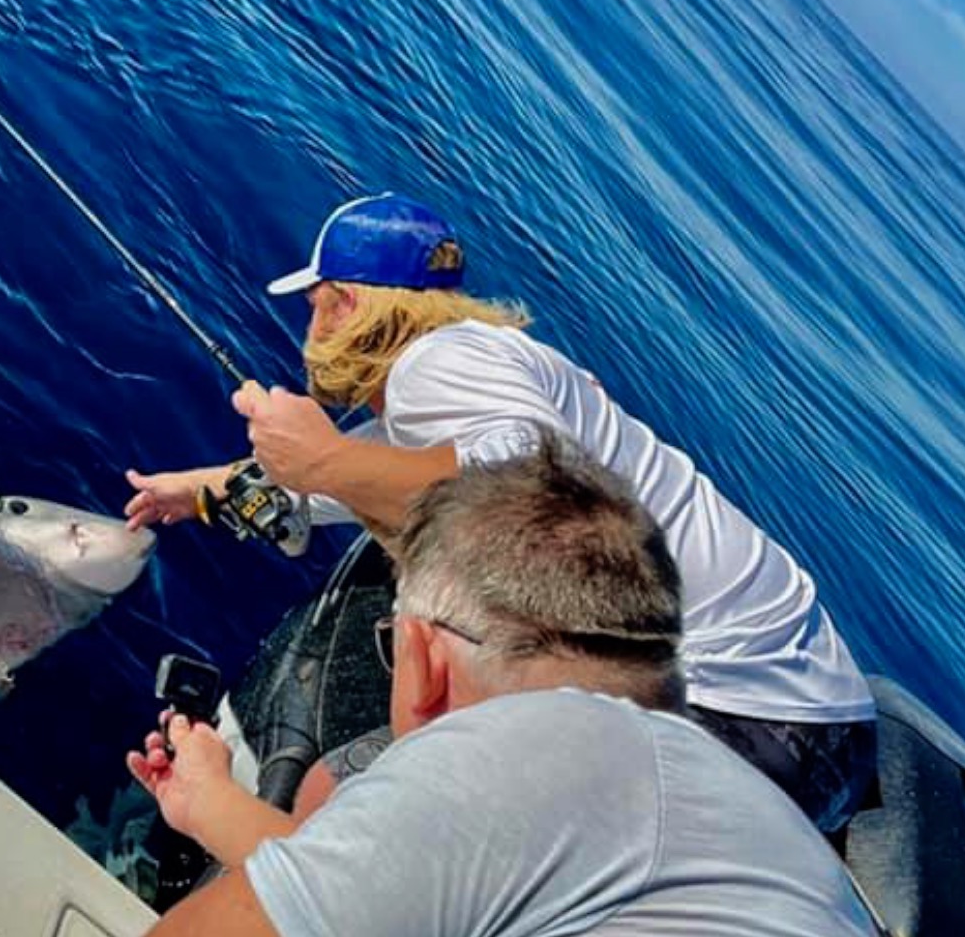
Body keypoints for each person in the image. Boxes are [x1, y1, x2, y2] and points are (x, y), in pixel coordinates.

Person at [124, 193, 876, 831]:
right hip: (817, 716)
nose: (309, 333)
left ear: (348, 304)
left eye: (316, 308)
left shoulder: (435, 364)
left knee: (360, 810)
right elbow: (363, 479)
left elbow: (527, 496)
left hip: (737, 723)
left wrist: (322, 458)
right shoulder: (477, 364)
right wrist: (199, 489)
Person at [125, 440, 877, 937]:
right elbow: (382, 878)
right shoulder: (743, 816)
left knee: (332, 783)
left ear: (421, 658)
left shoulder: (512, 767)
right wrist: (209, 805)